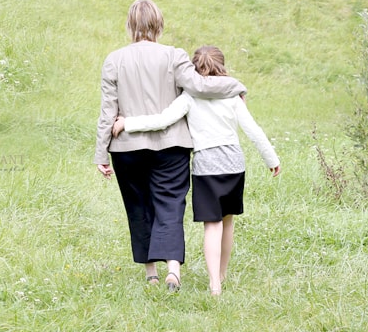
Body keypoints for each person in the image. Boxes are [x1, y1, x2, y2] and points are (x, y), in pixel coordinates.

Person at [95, 0, 246, 293]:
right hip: (172, 146)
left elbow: (107, 112)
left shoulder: (114, 59)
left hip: (126, 147)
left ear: (130, 25)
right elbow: (201, 87)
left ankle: (151, 272)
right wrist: (235, 86)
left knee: (138, 206)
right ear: (159, 24)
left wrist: (101, 152)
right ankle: (173, 270)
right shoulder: (174, 56)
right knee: (170, 204)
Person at [112, 46, 280, 296]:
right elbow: (252, 130)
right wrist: (271, 158)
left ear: (193, 69)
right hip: (234, 163)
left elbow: (162, 120)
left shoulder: (189, 97)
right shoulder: (232, 95)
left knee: (212, 224)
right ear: (223, 66)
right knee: (228, 219)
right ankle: (223, 273)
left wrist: (128, 123)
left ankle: (215, 284)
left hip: (205, 166)